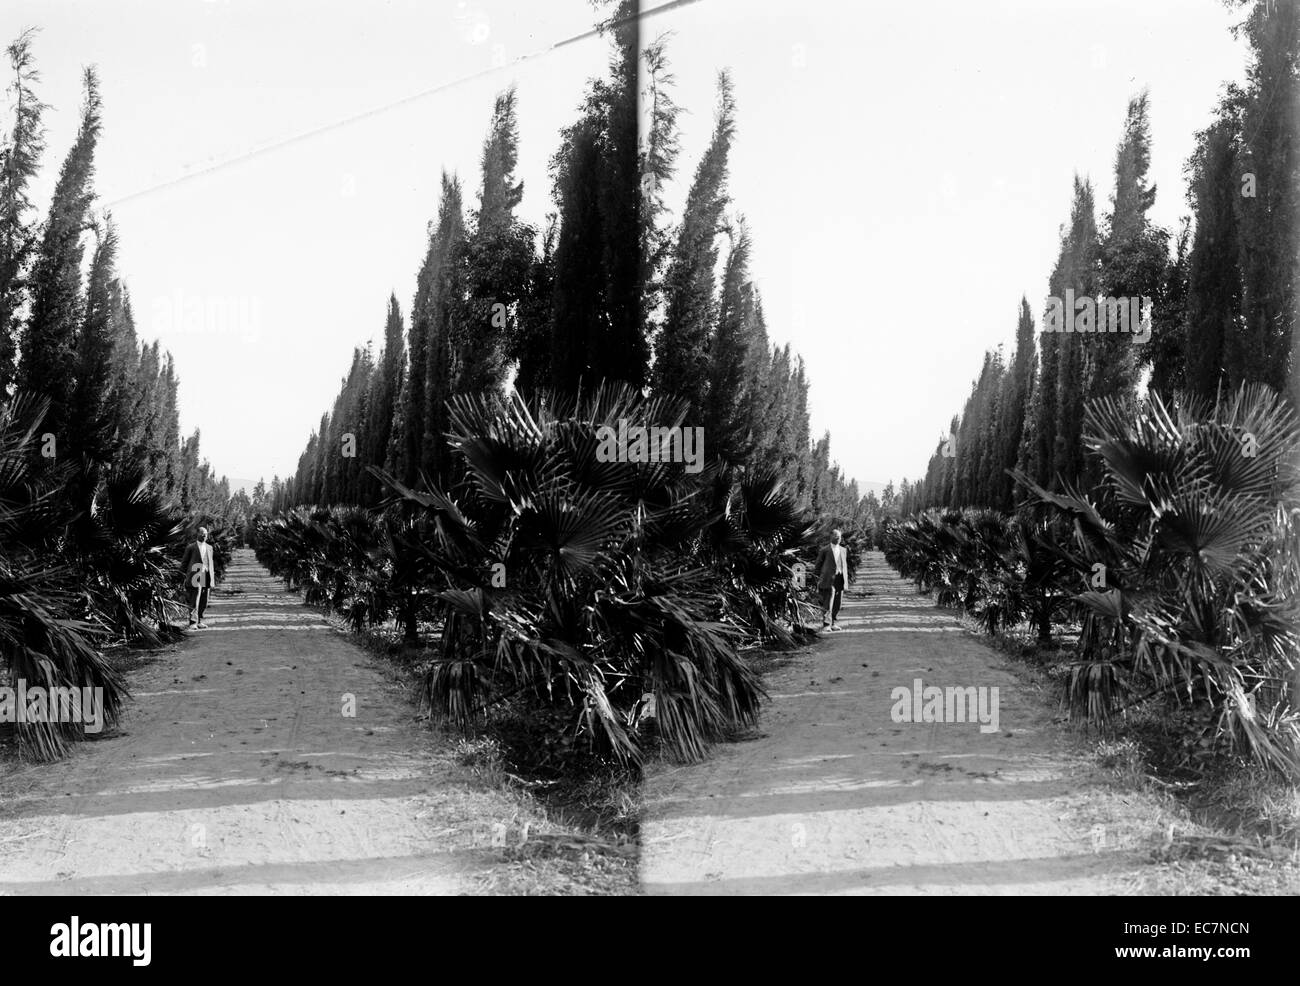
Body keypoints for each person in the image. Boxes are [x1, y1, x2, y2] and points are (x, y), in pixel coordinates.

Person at [180, 526, 216, 629]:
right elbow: (184, 563)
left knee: (204, 600)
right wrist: (181, 576)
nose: (205, 536)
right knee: (194, 599)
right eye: (202, 534)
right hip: (195, 575)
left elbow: (211, 563)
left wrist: (212, 578)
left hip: (206, 575)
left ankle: (199, 620)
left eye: (206, 534)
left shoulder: (210, 547)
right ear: (198, 534)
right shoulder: (191, 547)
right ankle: (192, 622)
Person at [814, 528, 848, 631]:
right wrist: (817, 579)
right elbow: (818, 565)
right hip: (828, 579)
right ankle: (826, 624)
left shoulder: (843, 550)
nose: (838, 538)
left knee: (838, 602)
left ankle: (833, 622)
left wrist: (845, 579)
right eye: (836, 536)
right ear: (831, 537)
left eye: (839, 537)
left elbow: (844, 565)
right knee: (828, 601)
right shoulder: (824, 550)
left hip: (840, 578)